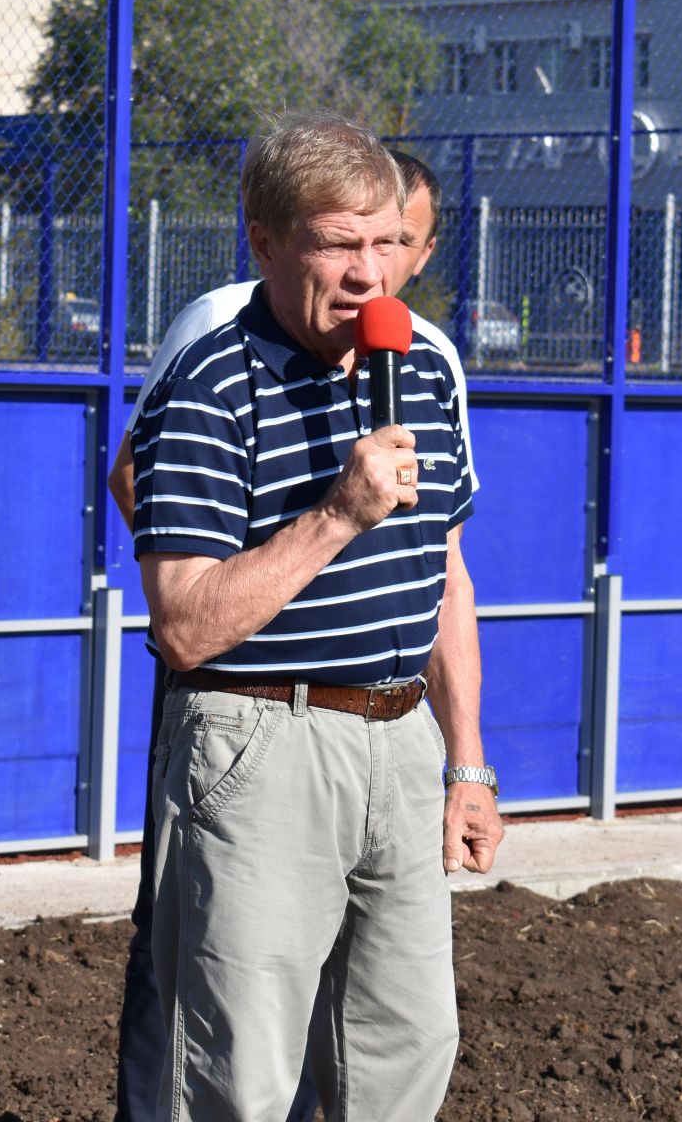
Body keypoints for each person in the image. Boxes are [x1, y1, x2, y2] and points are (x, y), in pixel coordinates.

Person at [130, 112, 503, 1120]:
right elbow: (186, 627)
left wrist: (465, 762)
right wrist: (339, 512)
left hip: (401, 740)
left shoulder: (421, 368)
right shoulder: (212, 385)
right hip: (260, 740)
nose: (368, 274)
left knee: (408, 1041)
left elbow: (445, 578)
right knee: (237, 1064)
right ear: (263, 239)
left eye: (388, 242)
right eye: (339, 243)